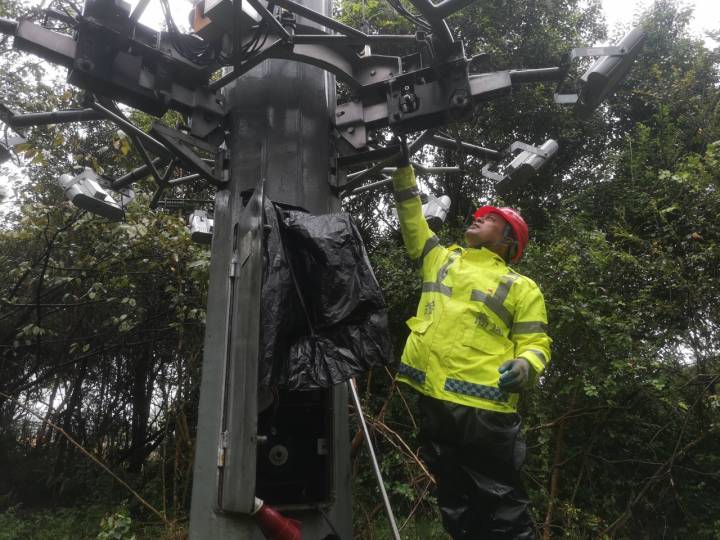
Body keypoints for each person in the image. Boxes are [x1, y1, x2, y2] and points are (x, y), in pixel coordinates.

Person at [391, 143, 551, 539]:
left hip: (484, 410)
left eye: (491, 218)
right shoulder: (442, 258)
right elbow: (414, 223)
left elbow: (536, 343)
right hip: (436, 400)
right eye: (480, 216)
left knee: (502, 508)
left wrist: (526, 365)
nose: (479, 218)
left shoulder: (521, 286)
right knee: (455, 503)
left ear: (509, 241)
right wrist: (402, 172)